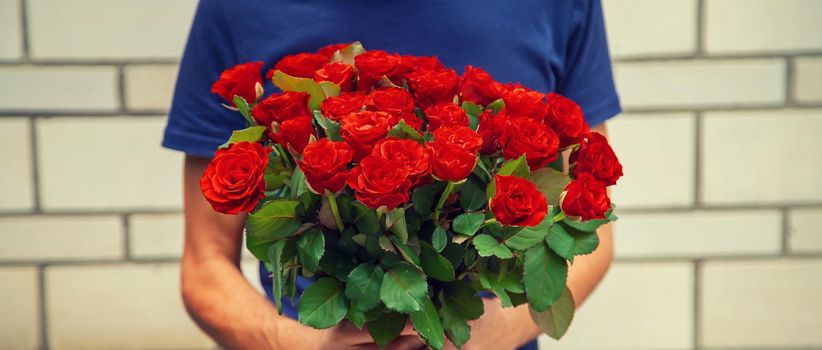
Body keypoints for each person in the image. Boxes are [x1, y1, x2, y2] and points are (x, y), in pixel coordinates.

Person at [163, 0, 620, 349]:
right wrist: (296, 341)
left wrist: (488, 335)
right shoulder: (237, 9)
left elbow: (588, 229)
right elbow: (204, 262)